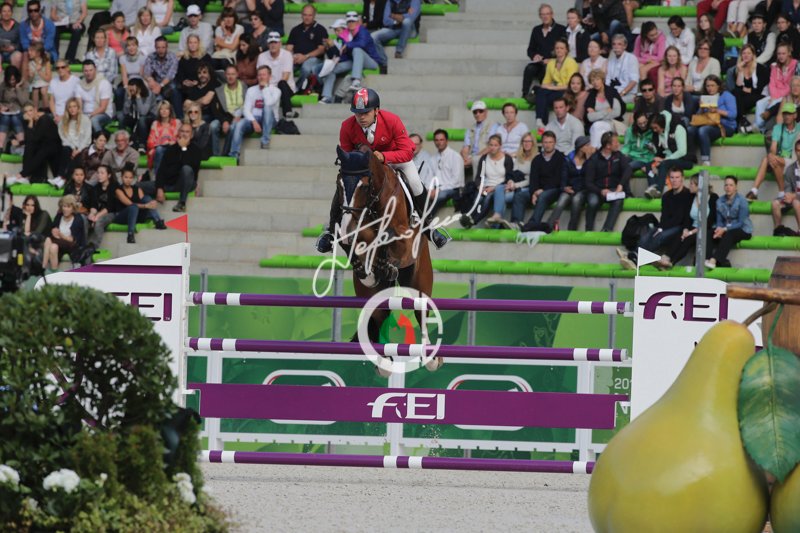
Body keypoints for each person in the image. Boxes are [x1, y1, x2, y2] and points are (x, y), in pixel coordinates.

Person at [316, 88, 450, 250]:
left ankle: (430, 227)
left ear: (376, 110)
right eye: (358, 113)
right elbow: (347, 156)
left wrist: (384, 157)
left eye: (366, 112)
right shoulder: (347, 126)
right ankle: (331, 231)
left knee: (415, 182)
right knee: (343, 185)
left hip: (396, 159)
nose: (361, 117)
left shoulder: (392, 120)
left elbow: (408, 151)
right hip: (366, 165)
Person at [618, 166, 693, 270]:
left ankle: (633, 257)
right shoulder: (666, 196)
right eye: (672, 177)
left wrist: (662, 229)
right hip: (666, 226)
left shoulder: (688, 195)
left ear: (682, 179)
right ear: (669, 179)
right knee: (648, 234)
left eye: (677, 177)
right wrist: (660, 228)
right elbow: (664, 216)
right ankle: (634, 255)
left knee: (659, 236)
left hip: (680, 227)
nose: (674, 180)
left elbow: (683, 219)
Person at [319, 11, 383, 102]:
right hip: (354, 61)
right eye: (349, 22)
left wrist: (348, 45)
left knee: (357, 50)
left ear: (357, 22)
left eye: (353, 21)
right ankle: (327, 96)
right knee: (332, 69)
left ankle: (356, 81)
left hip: (371, 61)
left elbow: (362, 44)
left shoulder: (362, 31)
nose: (351, 23)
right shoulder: (345, 35)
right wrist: (336, 56)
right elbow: (343, 54)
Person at [657, 174, 718, 268]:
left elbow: (710, 221)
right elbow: (687, 218)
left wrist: (691, 232)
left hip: (706, 229)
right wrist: (685, 229)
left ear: (698, 186)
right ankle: (666, 257)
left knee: (688, 239)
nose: (689, 186)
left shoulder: (713, 197)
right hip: (692, 227)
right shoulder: (690, 197)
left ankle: (672, 262)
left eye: (692, 184)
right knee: (680, 235)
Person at [143, 122, 200, 212]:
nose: (184, 134)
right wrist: (160, 188)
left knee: (186, 169)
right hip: (168, 184)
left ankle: (182, 203)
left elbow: (190, 167)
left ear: (191, 135)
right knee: (137, 186)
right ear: (178, 133)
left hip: (184, 184)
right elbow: (161, 170)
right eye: (182, 131)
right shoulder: (171, 149)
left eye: (187, 132)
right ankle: (147, 207)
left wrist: (183, 148)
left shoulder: (196, 149)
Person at [460, 133, 514, 228]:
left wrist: (493, 188)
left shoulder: (507, 159)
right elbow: (479, 176)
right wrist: (479, 187)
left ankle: (474, 221)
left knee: (488, 198)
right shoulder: (484, 158)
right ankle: (469, 216)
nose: (493, 147)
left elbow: (508, 178)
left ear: (500, 146)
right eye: (491, 145)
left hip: (499, 188)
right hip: (485, 186)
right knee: (479, 197)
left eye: (495, 145)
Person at [749, 102, 799, 200]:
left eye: (789, 114)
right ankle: (754, 190)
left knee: (771, 159)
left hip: (794, 159)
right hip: (781, 159)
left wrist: (772, 157)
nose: (786, 116)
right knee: (768, 159)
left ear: (795, 115)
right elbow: (773, 147)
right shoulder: (778, 128)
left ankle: (781, 192)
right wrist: (771, 155)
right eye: (785, 113)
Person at [228, 64, 279, 158]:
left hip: (270, 120)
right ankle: (234, 155)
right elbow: (246, 110)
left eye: (264, 74)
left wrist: (265, 88)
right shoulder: (251, 90)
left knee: (267, 108)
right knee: (239, 124)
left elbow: (269, 102)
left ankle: (265, 141)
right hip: (254, 119)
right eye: (259, 75)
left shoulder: (276, 91)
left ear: (269, 76)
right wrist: (254, 122)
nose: (261, 77)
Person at [520, 130, 568, 231]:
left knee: (543, 196)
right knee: (520, 196)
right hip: (538, 190)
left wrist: (542, 190)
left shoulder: (561, 158)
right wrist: (534, 192)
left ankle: (532, 223)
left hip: (554, 189)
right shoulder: (537, 159)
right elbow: (533, 179)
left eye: (550, 142)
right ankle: (516, 222)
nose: (548, 145)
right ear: (542, 143)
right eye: (545, 142)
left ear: (555, 143)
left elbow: (558, 180)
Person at [584, 131, 631, 231]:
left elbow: (628, 169)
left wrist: (620, 184)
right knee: (592, 202)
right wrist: (600, 191)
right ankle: (588, 229)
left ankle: (606, 229)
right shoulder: (594, 159)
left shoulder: (618, 155)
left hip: (613, 189)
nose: (618, 144)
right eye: (616, 142)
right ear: (608, 146)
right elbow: (588, 182)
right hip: (597, 190)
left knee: (618, 201)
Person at [6, 103, 60, 186]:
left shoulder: (44, 119)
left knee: (39, 148)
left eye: (30, 110)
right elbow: (30, 140)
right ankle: (25, 176)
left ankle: (22, 175)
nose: (28, 113)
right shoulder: (28, 121)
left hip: (54, 149)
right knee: (30, 146)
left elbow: (35, 138)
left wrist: (30, 122)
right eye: (26, 112)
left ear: (35, 110)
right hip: (43, 148)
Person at [706, 175, 752, 269]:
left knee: (729, 234)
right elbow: (719, 220)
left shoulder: (742, 201)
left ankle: (714, 260)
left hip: (743, 229)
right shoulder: (720, 201)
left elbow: (740, 223)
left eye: (731, 185)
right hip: (726, 228)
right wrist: (719, 229)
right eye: (726, 185)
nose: (728, 187)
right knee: (710, 232)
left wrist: (724, 229)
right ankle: (706, 258)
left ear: (736, 187)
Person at [752, 43, 800, 133]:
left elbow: (791, 86)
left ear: (789, 53)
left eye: (783, 53)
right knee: (759, 103)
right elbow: (772, 83)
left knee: (773, 104)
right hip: (774, 95)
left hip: (787, 96)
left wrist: (776, 97)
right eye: (779, 54)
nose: (781, 56)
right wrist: (774, 96)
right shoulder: (774, 66)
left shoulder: (796, 65)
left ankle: (760, 127)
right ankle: (760, 127)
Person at [690, 74, 736, 165]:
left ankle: (706, 160)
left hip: (726, 126)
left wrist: (717, 111)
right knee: (690, 130)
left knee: (703, 130)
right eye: (708, 86)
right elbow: (699, 117)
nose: (710, 88)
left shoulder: (726, 95)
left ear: (718, 86)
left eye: (712, 85)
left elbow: (733, 114)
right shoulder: (705, 97)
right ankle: (690, 158)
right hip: (708, 123)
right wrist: (702, 108)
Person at [113, 164, 166, 243]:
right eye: (126, 177)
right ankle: (130, 234)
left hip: (137, 216)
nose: (128, 180)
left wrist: (151, 203)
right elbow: (130, 204)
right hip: (122, 216)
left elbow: (144, 201)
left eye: (130, 178)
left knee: (147, 198)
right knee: (133, 207)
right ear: (122, 177)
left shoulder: (137, 189)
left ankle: (158, 221)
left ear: (133, 178)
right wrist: (145, 206)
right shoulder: (118, 190)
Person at [522, 3, 566, 99]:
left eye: (547, 14)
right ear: (540, 16)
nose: (545, 16)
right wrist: (534, 56)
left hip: (554, 63)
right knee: (529, 68)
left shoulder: (561, 29)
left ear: (552, 14)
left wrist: (552, 60)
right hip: (539, 62)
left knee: (546, 70)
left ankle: (543, 95)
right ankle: (525, 94)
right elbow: (530, 49)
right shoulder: (536, 30)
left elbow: (564, 50)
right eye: (543, 14)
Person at [550, 135, 594, 230]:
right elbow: (564, 176)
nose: (590, 147)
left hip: (583, 189)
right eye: (587, 145)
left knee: (576, 200)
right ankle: (548, 226)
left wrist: (589, 159)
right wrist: (564, 187)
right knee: (562, 200)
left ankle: (572, 228)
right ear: (581, 147)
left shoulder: (591, 160)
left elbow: (589, 178)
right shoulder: (568, 159)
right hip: (570, 188)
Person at [645, 110, 692, 199]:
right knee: (649, 164)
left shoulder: (677, 127)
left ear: (662, 125)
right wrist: (655, 155)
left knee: (664, 164)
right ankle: (652, 189)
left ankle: (658, 191)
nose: (654, 130)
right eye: (653, 128)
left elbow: (682, 151)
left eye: (656, 128)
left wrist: (664, 159)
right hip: (667, 159)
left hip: (684, 159)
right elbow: (660, 150)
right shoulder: (657, 132)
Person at [535, 39, 579, 128]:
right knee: (541, 92)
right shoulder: (551, 63)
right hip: (555, 90)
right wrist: (548, 86)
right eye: (557, 48)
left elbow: (570, 85)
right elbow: (545, 82)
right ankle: (540, 121)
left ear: (566, 50)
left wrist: (552, 87)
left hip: (567, 91)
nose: (559, 50)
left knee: (544, 98)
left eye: (562, 48)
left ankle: (541, 121)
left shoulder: (571, 62)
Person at [256, 31, 298, 119]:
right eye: (271, 43)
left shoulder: (287, 55)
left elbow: (285, 77)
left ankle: (288, 112)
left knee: (282, 83)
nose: (273, 45)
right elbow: (261, 76)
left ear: (280, 44)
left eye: (275, 42)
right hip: (268, 87)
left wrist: (273, 90)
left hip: (285, 89)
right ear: (268, 44)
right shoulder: (262, 56)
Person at [500, 132, 536, 229]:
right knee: (502, 194)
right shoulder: (519, 156)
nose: (526, 143)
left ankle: (515, 223)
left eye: (529, 141)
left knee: (512, 196)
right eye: (524, 141)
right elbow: (514, 173)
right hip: (516, 185)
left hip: (528, 186)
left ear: (533, 143)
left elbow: (531, 180)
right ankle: (499, 222)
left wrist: (515, 185)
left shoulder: (536, 158)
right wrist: (511, 181)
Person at [425, 129, 464, 216]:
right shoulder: (432, 159)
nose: (439, 142)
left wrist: (439, 190)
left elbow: (456, 180)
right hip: (437, 189)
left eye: (441, 140)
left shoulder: (455, 156)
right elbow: (429, 177)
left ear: (447, 141)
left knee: (439, 196)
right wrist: (429, 189)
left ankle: (426, 219)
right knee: (423, 196)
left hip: (453, 189)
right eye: (436, 140)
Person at [286, 4, 327, 87]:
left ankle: (297, 89)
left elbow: (321, 49)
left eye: (310, 15)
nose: (307, 17)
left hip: (314, 59)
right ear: (301, 15)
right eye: (305, 15)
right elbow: (288, 48)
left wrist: (305, 56)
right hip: (296, 58)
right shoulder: (295, 29)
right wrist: (292, 57)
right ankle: (284, 89)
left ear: (314, 15)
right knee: (285, 67)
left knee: (306, 68)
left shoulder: (320, 29)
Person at [731, 44, 769, 133]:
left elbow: (759, 90)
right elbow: (738, 87)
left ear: (753, 55)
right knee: (735, 92)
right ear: (741, 55)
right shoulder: (737, 69)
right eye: (744, 53)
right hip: (745, 97)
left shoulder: (760, 68)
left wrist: (745, 89)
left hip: (760, 96)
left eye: (749, 53)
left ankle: (740, 121)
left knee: (737, 100)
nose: (746, 55)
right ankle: (743, 120)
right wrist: (740, 71)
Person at [54, 96, 91, 187]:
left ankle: (64, 178)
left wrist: (78, 149)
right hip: (70, 147)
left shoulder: (85, 120)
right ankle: (60, 176)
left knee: (77, 156)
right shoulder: (63, 122)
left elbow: (87, 138)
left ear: (78, 108)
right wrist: (73, 148)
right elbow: (64, 138)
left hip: (82, 147)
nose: (72, 109)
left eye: (74, 106)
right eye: (70, 107)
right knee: (66, 149)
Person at [42, 194, 85, 271]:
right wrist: (53, 232)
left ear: (73, 208)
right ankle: (54, 272)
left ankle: (43, 267)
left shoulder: (78, 219)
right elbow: (53, 229)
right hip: (59, 244)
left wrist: (60, 235)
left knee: (48, 239)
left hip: (72, 246)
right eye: (64, 206)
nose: (65, 209)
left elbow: (73, 240)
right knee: (53, 247)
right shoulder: (59, 216)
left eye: (68, 207)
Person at [585, 68, 625, 148]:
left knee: (596, 126)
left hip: (612, 123)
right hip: (598, 124)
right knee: (598, 129)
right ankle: (599, 151)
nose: (595, 82)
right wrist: (606, 111)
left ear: (602, 80)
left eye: (597, 79)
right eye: (592, 80)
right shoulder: (591, 95)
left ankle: (594, 151)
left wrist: (597, 114)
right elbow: (590, 117)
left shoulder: (612, 92)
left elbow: (617, 112)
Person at [144, 36, 181, 118]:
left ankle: (179, 117)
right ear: (155, 47)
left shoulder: (172, 57)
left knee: (174, 89)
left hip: (169, 83)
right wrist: (152, 81)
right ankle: (151, 117)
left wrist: (160, 86)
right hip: (156, 83)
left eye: (163, 47)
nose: (161, 50)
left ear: (167, 47)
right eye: (158, 47)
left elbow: (170, 75)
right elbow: (147, 73)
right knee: (146, 86)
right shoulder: (151, 57)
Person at [212, 64, 245, 156]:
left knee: (233, 127)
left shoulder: (245, 88)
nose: (230, 77)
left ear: (237, 74)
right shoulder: (219, 90)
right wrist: (224, 121)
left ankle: (225, 154)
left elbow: (249, 105)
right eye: (228, 74)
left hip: (240, 117)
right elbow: (215, 110)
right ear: (225, 75)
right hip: (225, 117)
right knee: (213, 126)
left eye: (233, 74)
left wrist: (241, 116)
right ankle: (215, 155)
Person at [85, 164, 117, 251]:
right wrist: (92, 214)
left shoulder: (114, 187)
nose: (99, 175)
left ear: (109, 175)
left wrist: (97, 216)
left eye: (102, 173)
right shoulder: (95, 188)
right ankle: (82, 245)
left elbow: (110, 206)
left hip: (111, 213)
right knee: (85, 220)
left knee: (99, 221)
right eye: (98, 173)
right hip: (98, 212)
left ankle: (93, 248)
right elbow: (94, 205)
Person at [76, 60, 114, 133]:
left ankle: (100, 136)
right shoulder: (79, 84)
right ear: (83, 71)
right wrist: (81, 116)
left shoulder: (103, 83)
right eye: (86, 71)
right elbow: (79, 106)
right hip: (85, 113)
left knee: (94, 120)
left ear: (95, 70)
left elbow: (103, 108)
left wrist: (89, 116)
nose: (88, 73)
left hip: (103, 114)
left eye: (91, 70)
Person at [772, 138, 800, 234]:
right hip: (794, 197)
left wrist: (794, 196)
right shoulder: (790, 169)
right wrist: (788, 196)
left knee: (796, 202)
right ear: (795, 152)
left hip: (796, 199)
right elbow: (787, 188)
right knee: (775, 203)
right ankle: (778, 230)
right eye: (798, 150)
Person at [119, 78, 155, 152]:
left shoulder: (149, 94)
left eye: (133, 89)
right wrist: (129, 98)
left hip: (149, 117)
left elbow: (143, 112)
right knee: (120, 116)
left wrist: (138, 97)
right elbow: (125, 112)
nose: (131, 91)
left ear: (139, 88)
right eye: (130, 89)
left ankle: (142, 144)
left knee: (142, 119)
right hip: (134, 116)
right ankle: (123, 141)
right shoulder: (128, 93)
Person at [20, 0, 57, 72]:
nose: (33, 13)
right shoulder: (23, 25)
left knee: (46, 55)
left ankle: (41, 76)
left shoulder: (50, 25)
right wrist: (32, 51)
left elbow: (49, 44)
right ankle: (24, 78)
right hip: (30, 52)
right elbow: (24, 43)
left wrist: (37, 52)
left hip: (46, 51)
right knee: (23, 54)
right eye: (30, 11)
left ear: (40, 11)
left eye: (36, 10)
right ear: (28, 12)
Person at [0, 66, 29, 152]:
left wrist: (17, 88)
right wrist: (1, 107)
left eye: (13, 79)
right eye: (10, 80)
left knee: (15, 118)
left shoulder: (24, 85)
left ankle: (21, 142)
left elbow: (24, 101)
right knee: (5, 117)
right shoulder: (3, 85)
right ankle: (0, 145)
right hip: (6, 111)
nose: (12, 82)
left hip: (19, 110)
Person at [177, 33, 212, 105]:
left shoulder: (206, 57)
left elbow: (210, 74)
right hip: (187, 86)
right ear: (187, 44)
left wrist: (198, 82)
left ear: (199, 44)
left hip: (202, 84)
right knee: (176, 90)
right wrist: (184, 81)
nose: (192, 45)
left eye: (195, 42)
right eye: (190, 42)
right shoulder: (184, 58)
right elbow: (180, 73)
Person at [146, 100, 179, 174]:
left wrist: (173, 142)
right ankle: (158, 176)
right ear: (159, 111)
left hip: (174, 147)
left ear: (170, 111)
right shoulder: (155, 123)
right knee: (159, 150)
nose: (164, 111)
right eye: (161, 109)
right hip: (160, 148)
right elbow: (150, 141)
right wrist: (163, 143)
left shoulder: (177, 122)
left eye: (166, 109)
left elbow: (180, 138)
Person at [605, 34, 639, 104]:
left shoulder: (631, 58)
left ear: (625, 46)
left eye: (619, 44)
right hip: (613, 93)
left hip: (628, 94)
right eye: (614, 44)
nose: (616, 47)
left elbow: (634, 81)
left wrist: (621, 94)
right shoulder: (611, 60)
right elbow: (607, 80)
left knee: (613, 103)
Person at [51, 0, 87, 64]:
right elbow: (52, 14)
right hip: (61, 22)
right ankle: (54, 58)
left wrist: (78, 21)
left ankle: (69, 58)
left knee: (77, 30)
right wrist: (57, 19)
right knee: (53, 30)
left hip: (75, 21)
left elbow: (84, 12)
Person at [461, 100, 491, 172]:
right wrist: (465, 158)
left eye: (480, 111)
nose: (478, 114)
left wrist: (474, 159)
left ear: (486, 111)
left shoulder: (493, 126)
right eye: (475, 112)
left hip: (486, 156)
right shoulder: (470, 129)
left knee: (476, 161)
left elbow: (490, 147)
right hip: (472, 156)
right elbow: (465, 147)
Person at [49, 57, 78, 122]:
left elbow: (78, 102)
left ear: (68, 68)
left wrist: (63, 116)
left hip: (71, 114)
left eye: (63, 67)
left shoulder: (76, 81)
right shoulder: (53, 82)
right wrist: (55, 115)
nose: (60, 69)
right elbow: (51, 101)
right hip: (56, 115)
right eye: (58, 68)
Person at [25, 41, 50, 112]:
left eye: (31, 51)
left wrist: (40, 71)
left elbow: (48, 79)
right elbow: (30, 81)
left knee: (43, 90)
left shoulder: (46, 62)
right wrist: (31, 76)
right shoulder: (30, 63)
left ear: (38, 53)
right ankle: (35, 110)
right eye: (29, 50)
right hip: (35, 83)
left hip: (44, 82)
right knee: (35, 90)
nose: (29, 52)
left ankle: (46, 110)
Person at [0, 3, 22, 71]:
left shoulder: (18, 26)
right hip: (0, 52)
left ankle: (14, 76)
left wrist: (14, 47)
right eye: (4, 11)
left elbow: (21, 42)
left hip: (13, 52)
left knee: (18, 56)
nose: (6, 13)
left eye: (8, 11)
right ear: (0, 13)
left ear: (12, 13)